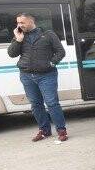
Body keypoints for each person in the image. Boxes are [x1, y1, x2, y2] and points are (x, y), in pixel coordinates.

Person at [8, 13, 68, 142]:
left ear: (31, 21)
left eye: (22, 23)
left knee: (52, 103)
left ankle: (61, 130)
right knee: (35, 104)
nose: (19, 25)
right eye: (17, 23)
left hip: (47, 75)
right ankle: (45, 131)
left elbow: (60, 52)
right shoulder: (19, 36)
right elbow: (12, 54)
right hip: (26, 76)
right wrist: (18, 40)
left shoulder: (48, 34)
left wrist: (52, 63)